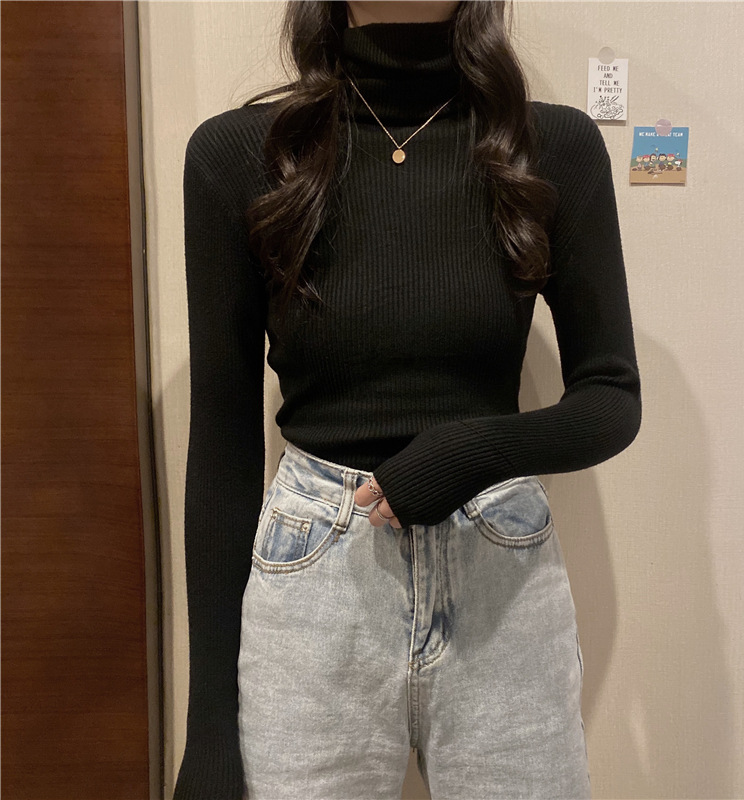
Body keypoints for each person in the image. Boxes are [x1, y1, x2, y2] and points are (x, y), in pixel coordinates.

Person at [173, 1, 641, 798]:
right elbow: (221, 447)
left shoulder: (550, 148)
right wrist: (211, 729)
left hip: (502, 579)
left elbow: (612, 395)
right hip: (315, 587)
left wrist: (472, 454)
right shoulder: (239, 157)